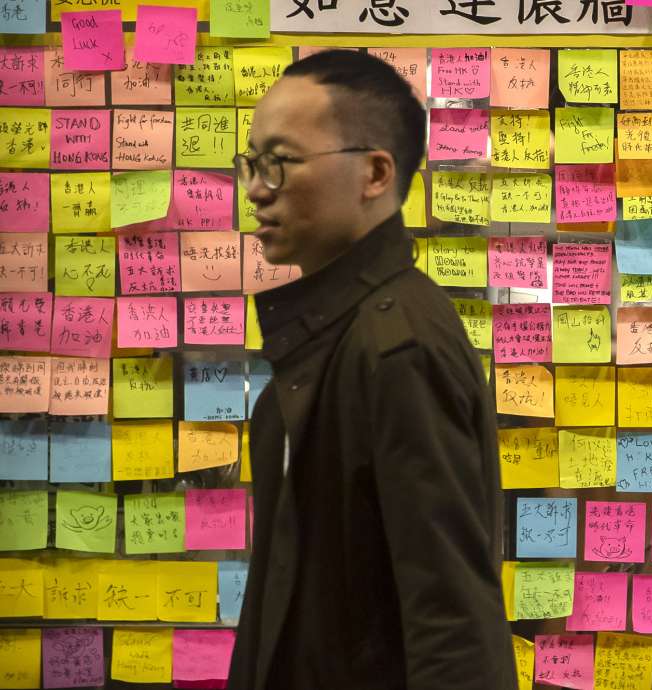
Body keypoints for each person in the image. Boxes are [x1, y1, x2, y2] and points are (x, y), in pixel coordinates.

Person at [227, 49, 517, 690]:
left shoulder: (395, 347)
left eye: (281, 161)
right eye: (251, 162)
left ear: (376, 173)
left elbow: (453, 623)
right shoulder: (335, 331)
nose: (256, 187)